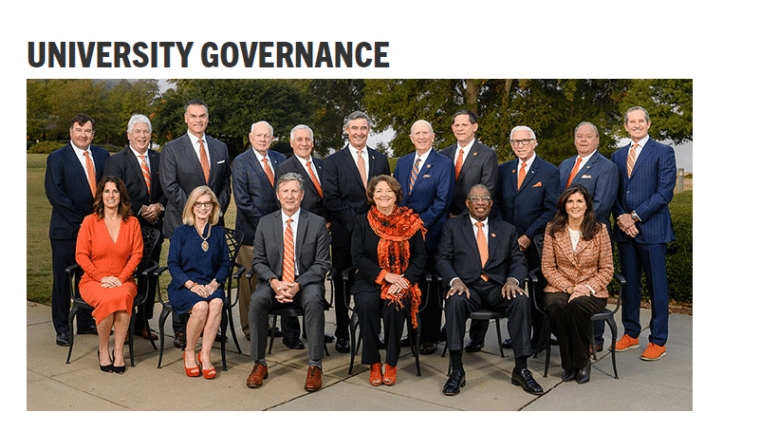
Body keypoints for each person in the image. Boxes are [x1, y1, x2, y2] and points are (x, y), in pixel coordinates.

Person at [436, 184, 543, 396]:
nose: (480, 202)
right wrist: (455, 280)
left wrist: (513, 280)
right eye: (475, 198)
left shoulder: (506, 229)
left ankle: (521, 368)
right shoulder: (452, 227)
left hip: (498, 288)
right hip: (468, 288)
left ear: (491, 204)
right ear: (468, 203)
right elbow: (442, 259)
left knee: (521, 300)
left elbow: (519, 261)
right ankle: (457, 370)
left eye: (485, 198)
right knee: (455, 301)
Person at [245, 173, 331, 392]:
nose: (290, 196)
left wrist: (296, 285)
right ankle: (259, 363)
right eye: (285, 191)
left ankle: (314, 365)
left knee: (313, 299)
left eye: (295, 191)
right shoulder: (266, 223)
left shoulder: (317, 223)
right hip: (274, 283)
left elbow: (322, 263)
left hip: (305, 284)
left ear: (302, 195)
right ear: (278, 195)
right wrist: (275, 282)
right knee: (257, 300)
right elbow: (258, 261)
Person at [159, 99, 231, 348]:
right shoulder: (172, 148)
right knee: (186, 270)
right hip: (182, 221)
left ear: (207, 119)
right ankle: (182, 329)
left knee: (209, 268)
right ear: (186, 118)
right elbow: (169, 185)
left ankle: (210, 324)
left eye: (202, 116)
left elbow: (224, 184)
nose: (198, 120)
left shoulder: (220, 148)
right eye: (193, 116)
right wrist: (196, 208)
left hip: (211, 223)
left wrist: (214, 208)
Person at [611, 106, 677, 361]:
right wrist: (622, 219)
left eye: (641, 121)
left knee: (656, 287)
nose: (636, 125)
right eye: (632, 122)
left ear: (648, 124)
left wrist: (635, 216)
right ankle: (631, 334)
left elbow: (665, 192)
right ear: (626, 126)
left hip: (652, 230)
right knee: (629, 286)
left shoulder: (663, 152)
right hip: (625, 232)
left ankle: (658, 340)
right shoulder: (617, 156)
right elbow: (613, 193)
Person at [323, 111, 391, 354]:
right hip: (345, 234)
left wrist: (372, 225)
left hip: (377, 235)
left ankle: (376, 332)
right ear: (346, 130)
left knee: (377, 282)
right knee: (343, 284)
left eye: (363, 128)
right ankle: (343, 333)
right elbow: (331, 199)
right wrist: (358, 225)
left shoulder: (380, 159)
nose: (359, 132)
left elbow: (386, 195)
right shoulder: (333, 162)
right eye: (354, 128)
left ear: (368, 130)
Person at [351, 175, 427, 386]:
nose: (384, 195)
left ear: (396, 195)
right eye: (379, 191)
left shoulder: (411, 221)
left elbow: (420, 257)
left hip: (403, 280)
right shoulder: (362, 221)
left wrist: (403, 280)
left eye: (388, 191)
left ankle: (391, 364)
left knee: (394, 307)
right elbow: (357, 257)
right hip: (370, 279)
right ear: (372, 196)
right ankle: (374, 363)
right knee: (366, 304)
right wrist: (385, 276)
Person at [45, 113, 110, 346]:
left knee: (88, 277)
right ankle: (62, 328)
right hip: (65, 232)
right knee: (62, 281)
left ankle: (86, 322)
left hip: (95, 232)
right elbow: (56, 195)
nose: (83, 135)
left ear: (93, 133)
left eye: (88, 131)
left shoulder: (102, 155)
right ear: (71, 131)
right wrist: (84, 222)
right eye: (78, 130)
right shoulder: (57, 158)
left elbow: (107, 190)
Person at [496, 126, 560, 349]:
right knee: (512, 292)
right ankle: (517, 336)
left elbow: (551, 209)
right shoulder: (503, 170)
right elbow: (497, 206)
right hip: (508, 243)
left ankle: (539, 339)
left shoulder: (549, 171)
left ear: (535, 142)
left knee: (536, 293)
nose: (520, 145)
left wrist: (528, 235)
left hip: (536, 243)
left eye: (524, 141)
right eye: (515, 142)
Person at [541, 185, 614, 383]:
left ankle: (580, 362)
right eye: (570, 201)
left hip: (592, 290)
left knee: (577, 306)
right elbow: (548, 267)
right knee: (557, 307)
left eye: (579, 201)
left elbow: (607, 269)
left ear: (587, 205)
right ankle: (571, 362)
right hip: (560, 287)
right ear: (564, 205)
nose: (575, 205)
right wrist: (570, 288)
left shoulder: (600, 230)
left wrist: (585, 288)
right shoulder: (552, 229)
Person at [393, 120, 454, 355]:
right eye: (416, 133)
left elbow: (442, 202)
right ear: (411, 137)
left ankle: (429, 336)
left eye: (425, 133)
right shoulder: (403, 162)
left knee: (430, 286)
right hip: (404, 237)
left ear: (433, 136)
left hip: (430, 234)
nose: (421, 137)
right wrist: (402, 227)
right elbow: (399, 198)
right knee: (410, 284)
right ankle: (412, 332)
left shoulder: (444, 164)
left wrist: (416, 225)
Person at [440, 110, 499, 352]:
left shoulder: (487, 155)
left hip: (473, 224)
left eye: (465, 124)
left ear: (474, 127)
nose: (460, 128)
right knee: (452, 275)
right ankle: (451, 326)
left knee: (476, 275)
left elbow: (487, 191)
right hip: (447, 224)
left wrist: (462, 218)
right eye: (456, 125)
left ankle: (477, 335)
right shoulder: (444, 154)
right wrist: (448, 218)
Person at [103, 114, 166, 341]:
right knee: (126, 275)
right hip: (126, 227)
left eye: (146, 131)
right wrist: (141, 209)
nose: (142, 136)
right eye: (137, 131)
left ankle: (143, 323)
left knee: (148, 275)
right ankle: (123, 324)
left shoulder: (160, 159)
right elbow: (113, 194)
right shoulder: (116, 161)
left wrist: (159, 206)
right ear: (129, 135)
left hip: (154, 228)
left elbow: (167, 189)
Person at [558, 121, 618, 351]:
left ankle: (595, 339)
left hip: (592, 234)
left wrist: (575, 225)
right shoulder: (565, 165)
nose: (583, 140)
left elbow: (602, 205)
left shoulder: (606, 167)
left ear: (597, 140)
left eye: (588, 136)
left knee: (593, 284)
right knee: (569, 282)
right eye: (579, 136)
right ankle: (570, 333)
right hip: (565, 236)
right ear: (574, 140)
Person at [231, 120, 292, 345]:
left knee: (272, 280)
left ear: (272, 138)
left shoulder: (280, 160)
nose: (263, 139)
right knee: (250, 281)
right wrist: (269, 228)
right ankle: (250, 327)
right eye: (259, 136)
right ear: (251, 137)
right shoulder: (240, 162)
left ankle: (268, 323)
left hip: (279, 234)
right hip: (251, 233)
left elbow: (287, 194)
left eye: (267, 136)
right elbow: (243, 202)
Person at [75, 176, 144, 373]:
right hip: (94, 280)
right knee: (106, 300)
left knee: (122, 296)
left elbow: (137, 254)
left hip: (124, 280)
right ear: (100, 196)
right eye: (107, 191)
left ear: (121, 196)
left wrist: (121, 278)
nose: (111, 195)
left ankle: (119, 351)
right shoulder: (90, 222)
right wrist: (100, 277)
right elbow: (81, 255)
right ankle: (104, 349)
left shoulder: (132, 223)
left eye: (115, 191)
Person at [166, 186, 231, 379]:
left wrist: (214, 284)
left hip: (210, 284)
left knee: (217, 302)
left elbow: (225, 263)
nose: (203, 208)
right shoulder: (181, 232)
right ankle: (190, 352)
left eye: (207, 204)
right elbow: (172, 264)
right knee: (201, 307)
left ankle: (206, 354)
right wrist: (192, 285)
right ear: (191, 207)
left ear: (213, 207)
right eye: (198, 204)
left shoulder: (218, 233)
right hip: (184, 286)